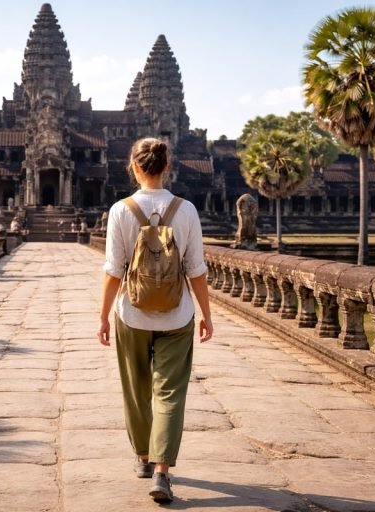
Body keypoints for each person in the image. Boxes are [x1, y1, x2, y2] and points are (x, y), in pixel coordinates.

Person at [97, 137, 213, 503]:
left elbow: (114, 271)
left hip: (130, 313)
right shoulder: (187, 210)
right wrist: (206, 314)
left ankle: (144, 458)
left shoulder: (120, 210)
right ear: (167, 168)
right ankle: (162, 471)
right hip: (178, 314)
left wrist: (102, 316)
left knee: (136, 389)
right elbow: (196, 270)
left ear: (134, 167)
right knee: (170, 392)